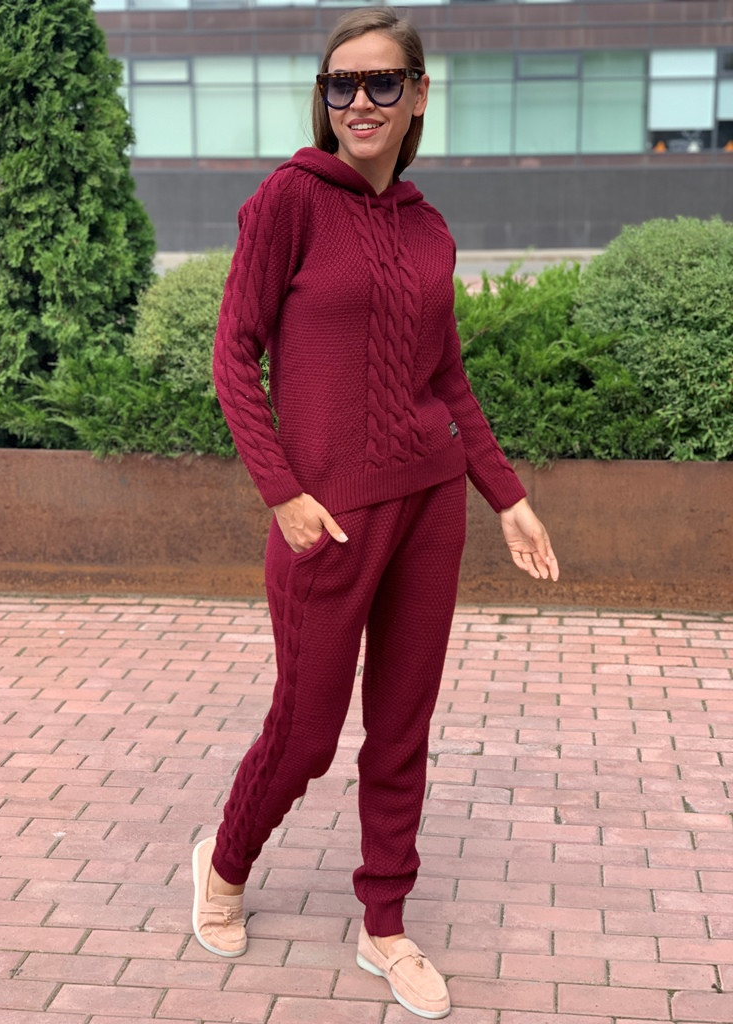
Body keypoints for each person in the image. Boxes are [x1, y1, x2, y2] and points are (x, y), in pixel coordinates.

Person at [193, 7, 559, 1019]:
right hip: (328, 520)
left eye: (383, 82)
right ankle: (223, 863)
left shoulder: (430, 229)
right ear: (324, 98)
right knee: (307, 731)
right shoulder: (288, 201)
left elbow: (447, 380)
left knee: (402, 725)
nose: (360, 101)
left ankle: (385, 924)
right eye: (342, 83)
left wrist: (508, 496)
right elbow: (233, 355)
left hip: (430, 506)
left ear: (418, 96)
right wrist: (283, 491)